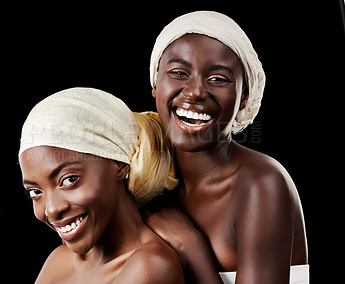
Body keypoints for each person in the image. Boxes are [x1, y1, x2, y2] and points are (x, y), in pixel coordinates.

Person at [145, 11, 309, 283]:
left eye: (218, 79)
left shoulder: (260, 183)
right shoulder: (149, 181)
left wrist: (190, 246)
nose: (195, 91)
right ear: (155, 82)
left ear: (244, 96)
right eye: (178, 72)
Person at [18, 87, 184, 283]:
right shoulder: (60, 260)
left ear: (120, 164)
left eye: (69, 180)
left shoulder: (151, 265)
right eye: (36, 192)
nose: (52, 210)